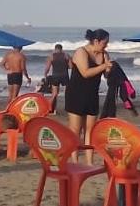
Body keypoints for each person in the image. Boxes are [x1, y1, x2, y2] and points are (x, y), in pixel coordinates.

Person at [66, 30, 113, 159]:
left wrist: (108, 70)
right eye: (105, 43)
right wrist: (104, 66)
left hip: (92, 94)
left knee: (90, 131)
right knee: (75, 130)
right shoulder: (81, 52)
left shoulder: (104, 54)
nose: (106, 46)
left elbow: (106, 75)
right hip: (76, 94)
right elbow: (85, 73)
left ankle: (89, 161)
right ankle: (74, 160)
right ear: (96, 41)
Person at [43, 44, 70, 114]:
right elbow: (71, 66)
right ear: (61, 49)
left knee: (54, 94)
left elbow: (47, 68)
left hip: (55, 76)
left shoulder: (51, 56)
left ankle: (50, 109)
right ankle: (68, 109)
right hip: (65, 75)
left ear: (55, 49)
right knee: (67, 93)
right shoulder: (66, 55)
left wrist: (45, 75)